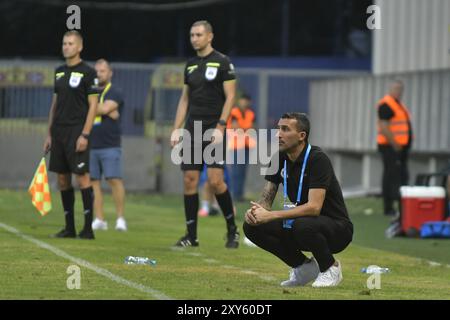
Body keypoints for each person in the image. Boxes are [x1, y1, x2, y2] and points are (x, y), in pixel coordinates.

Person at [243, 113, 353, 287]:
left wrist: (272, 216)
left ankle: (330, 267)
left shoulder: (318, 159)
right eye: (278, 128)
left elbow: (314, 208)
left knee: (302, 225)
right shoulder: (279, 158)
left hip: (336, 229)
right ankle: (303, 268)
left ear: (302, 136)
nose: (279, 134)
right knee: (252, 226)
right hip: (300, 225)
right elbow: (266, 200)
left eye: (285, 129)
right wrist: (256, 212)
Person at [170, 20, 239, 248]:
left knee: (215, 181)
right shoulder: (190, 65)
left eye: (198, 34)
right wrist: (177, 128)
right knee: (189, 180)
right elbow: (185, 99)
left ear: (210, 36)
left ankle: (232, 231)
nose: (194, 39)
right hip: (192, 129)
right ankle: (191, 236)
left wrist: (220, 126)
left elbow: (230, 97)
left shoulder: (223, 62)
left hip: (214, 128)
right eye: (191, 35)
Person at [43, 30, 98, 239]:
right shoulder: (58, 72)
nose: (66, 47)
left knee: (83, 179)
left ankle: (87, 228)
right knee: (63, 180)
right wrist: (49, 134)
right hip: (59, 132)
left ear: (80, 47)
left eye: (70, 43)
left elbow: (93, 106)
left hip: (77, 131)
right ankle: (69, 227)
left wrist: (85, 134)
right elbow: (54, 105)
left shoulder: (88, 72)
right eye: (64, 43)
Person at [90, 59, 127, 232]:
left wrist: (93, 106)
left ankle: (120, 218)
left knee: (114, 179)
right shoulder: (89, 90)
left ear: (110, 73)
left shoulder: (115, 91)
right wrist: (104, 109)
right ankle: (99, 219)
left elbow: (103, 110)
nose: (99, 74)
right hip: (90, 143)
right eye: (96, 71)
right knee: (93, 182)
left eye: (103, 71)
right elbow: (104, 110)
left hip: (110, 143)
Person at [377, 80, 413, 217]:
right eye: (396, 88)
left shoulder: (398, 105)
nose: (399, 92)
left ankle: (400, 206)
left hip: (399, 148)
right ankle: (389, 207)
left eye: (400, 89)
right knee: (391, 176)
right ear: (390, 89)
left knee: (401, 176)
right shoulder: (386, 104)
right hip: (391, 147)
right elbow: (384, 126)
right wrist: (395, 144)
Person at [226, 94, 256, 201]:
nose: (245, 103)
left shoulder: (250, 113)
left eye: (246, 101)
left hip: (247, 145)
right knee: (235, 172)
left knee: (243, 172)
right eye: (243, 100)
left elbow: (252, 128)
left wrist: (243, 128)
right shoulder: (234, 112)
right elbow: (235, 127)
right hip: (236, 146)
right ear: (240, 101)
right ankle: (234, 194)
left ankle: (239, 195)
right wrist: (246, 128)